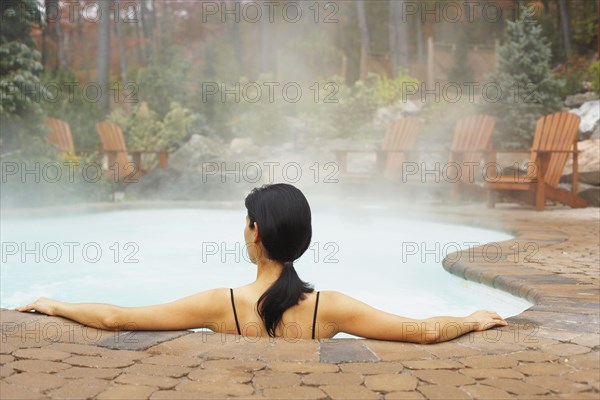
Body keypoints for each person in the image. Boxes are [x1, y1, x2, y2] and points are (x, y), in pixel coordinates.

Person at [16, 183, 508, 343]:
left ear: (255, 232)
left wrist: (54, 303)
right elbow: (421, 332)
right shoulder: (329, 308)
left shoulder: (220, 305)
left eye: (245, 221)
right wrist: (472, 318)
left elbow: (116, 319)